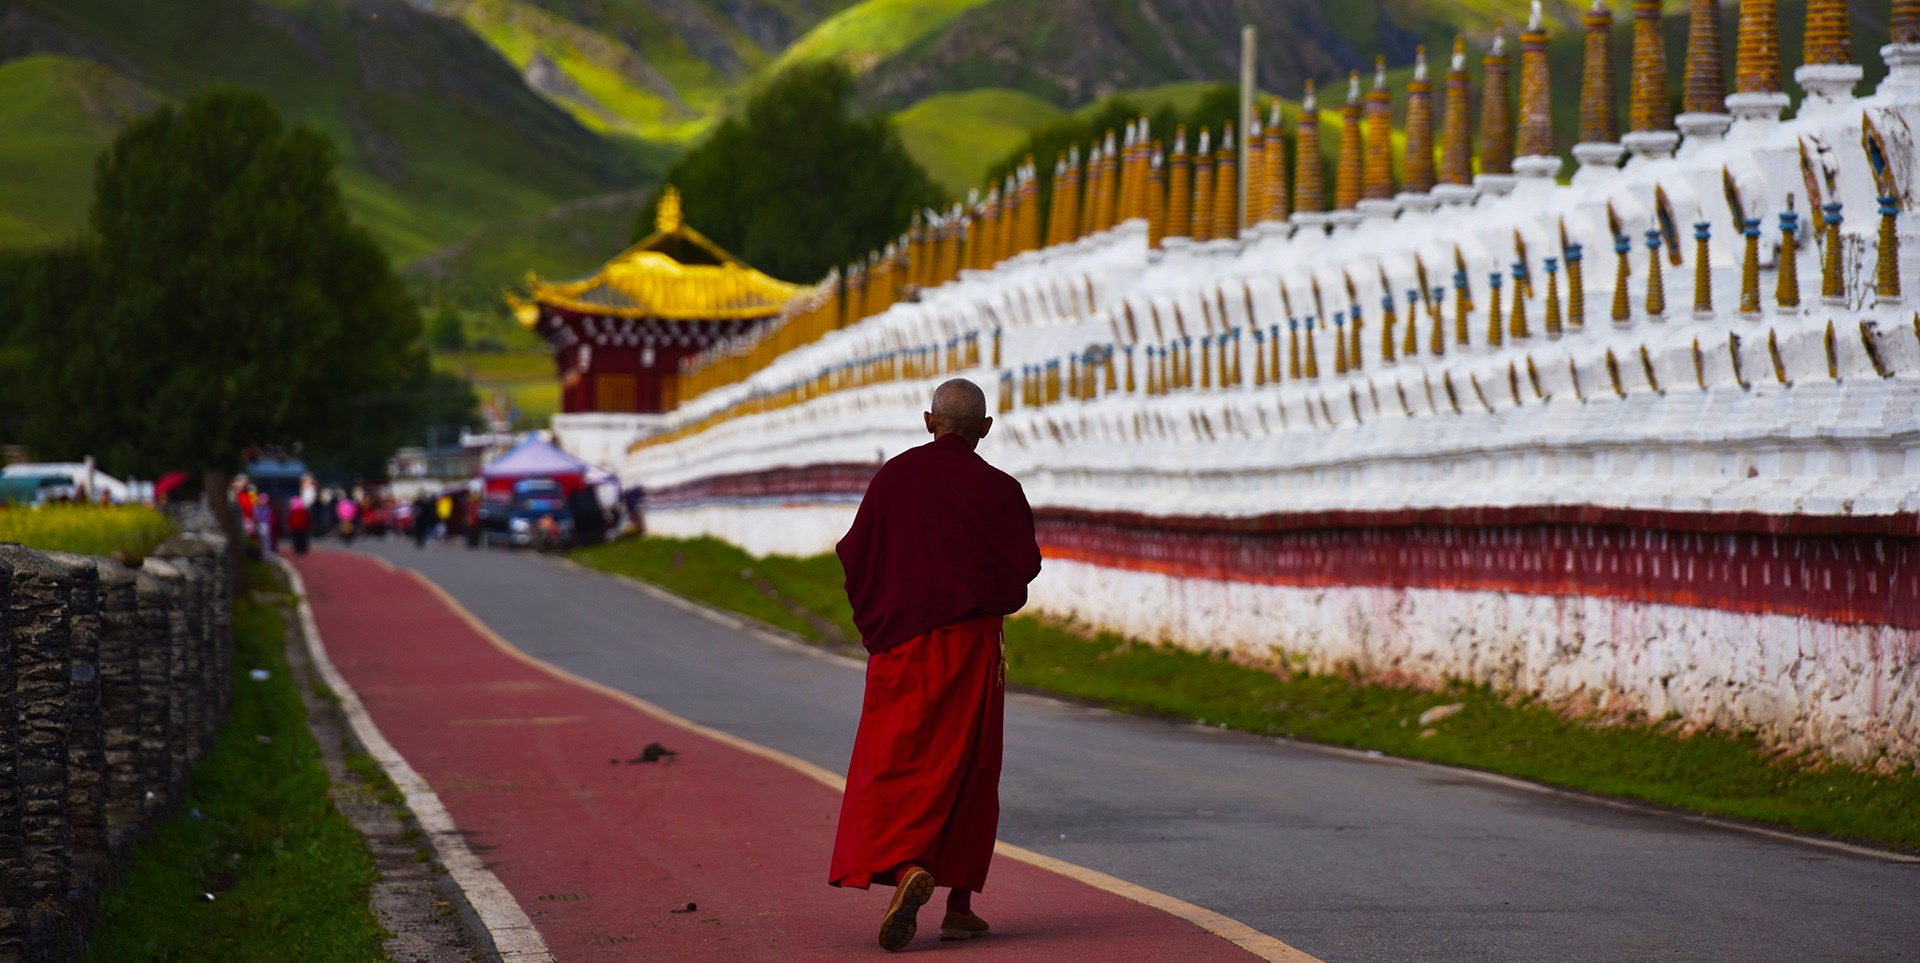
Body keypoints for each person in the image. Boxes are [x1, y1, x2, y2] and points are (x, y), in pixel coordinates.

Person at [828, 378, 1042, 952]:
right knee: (968, 765)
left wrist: (881, 622)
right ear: (985, 429)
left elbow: (856, 554)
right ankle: (958, 906)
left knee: (894, 759)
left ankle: (904, 870)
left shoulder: (894, 478)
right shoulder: (1000, 487)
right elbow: (1024, 564)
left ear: (929, 421)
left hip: (903, 644)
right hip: (973, 647)